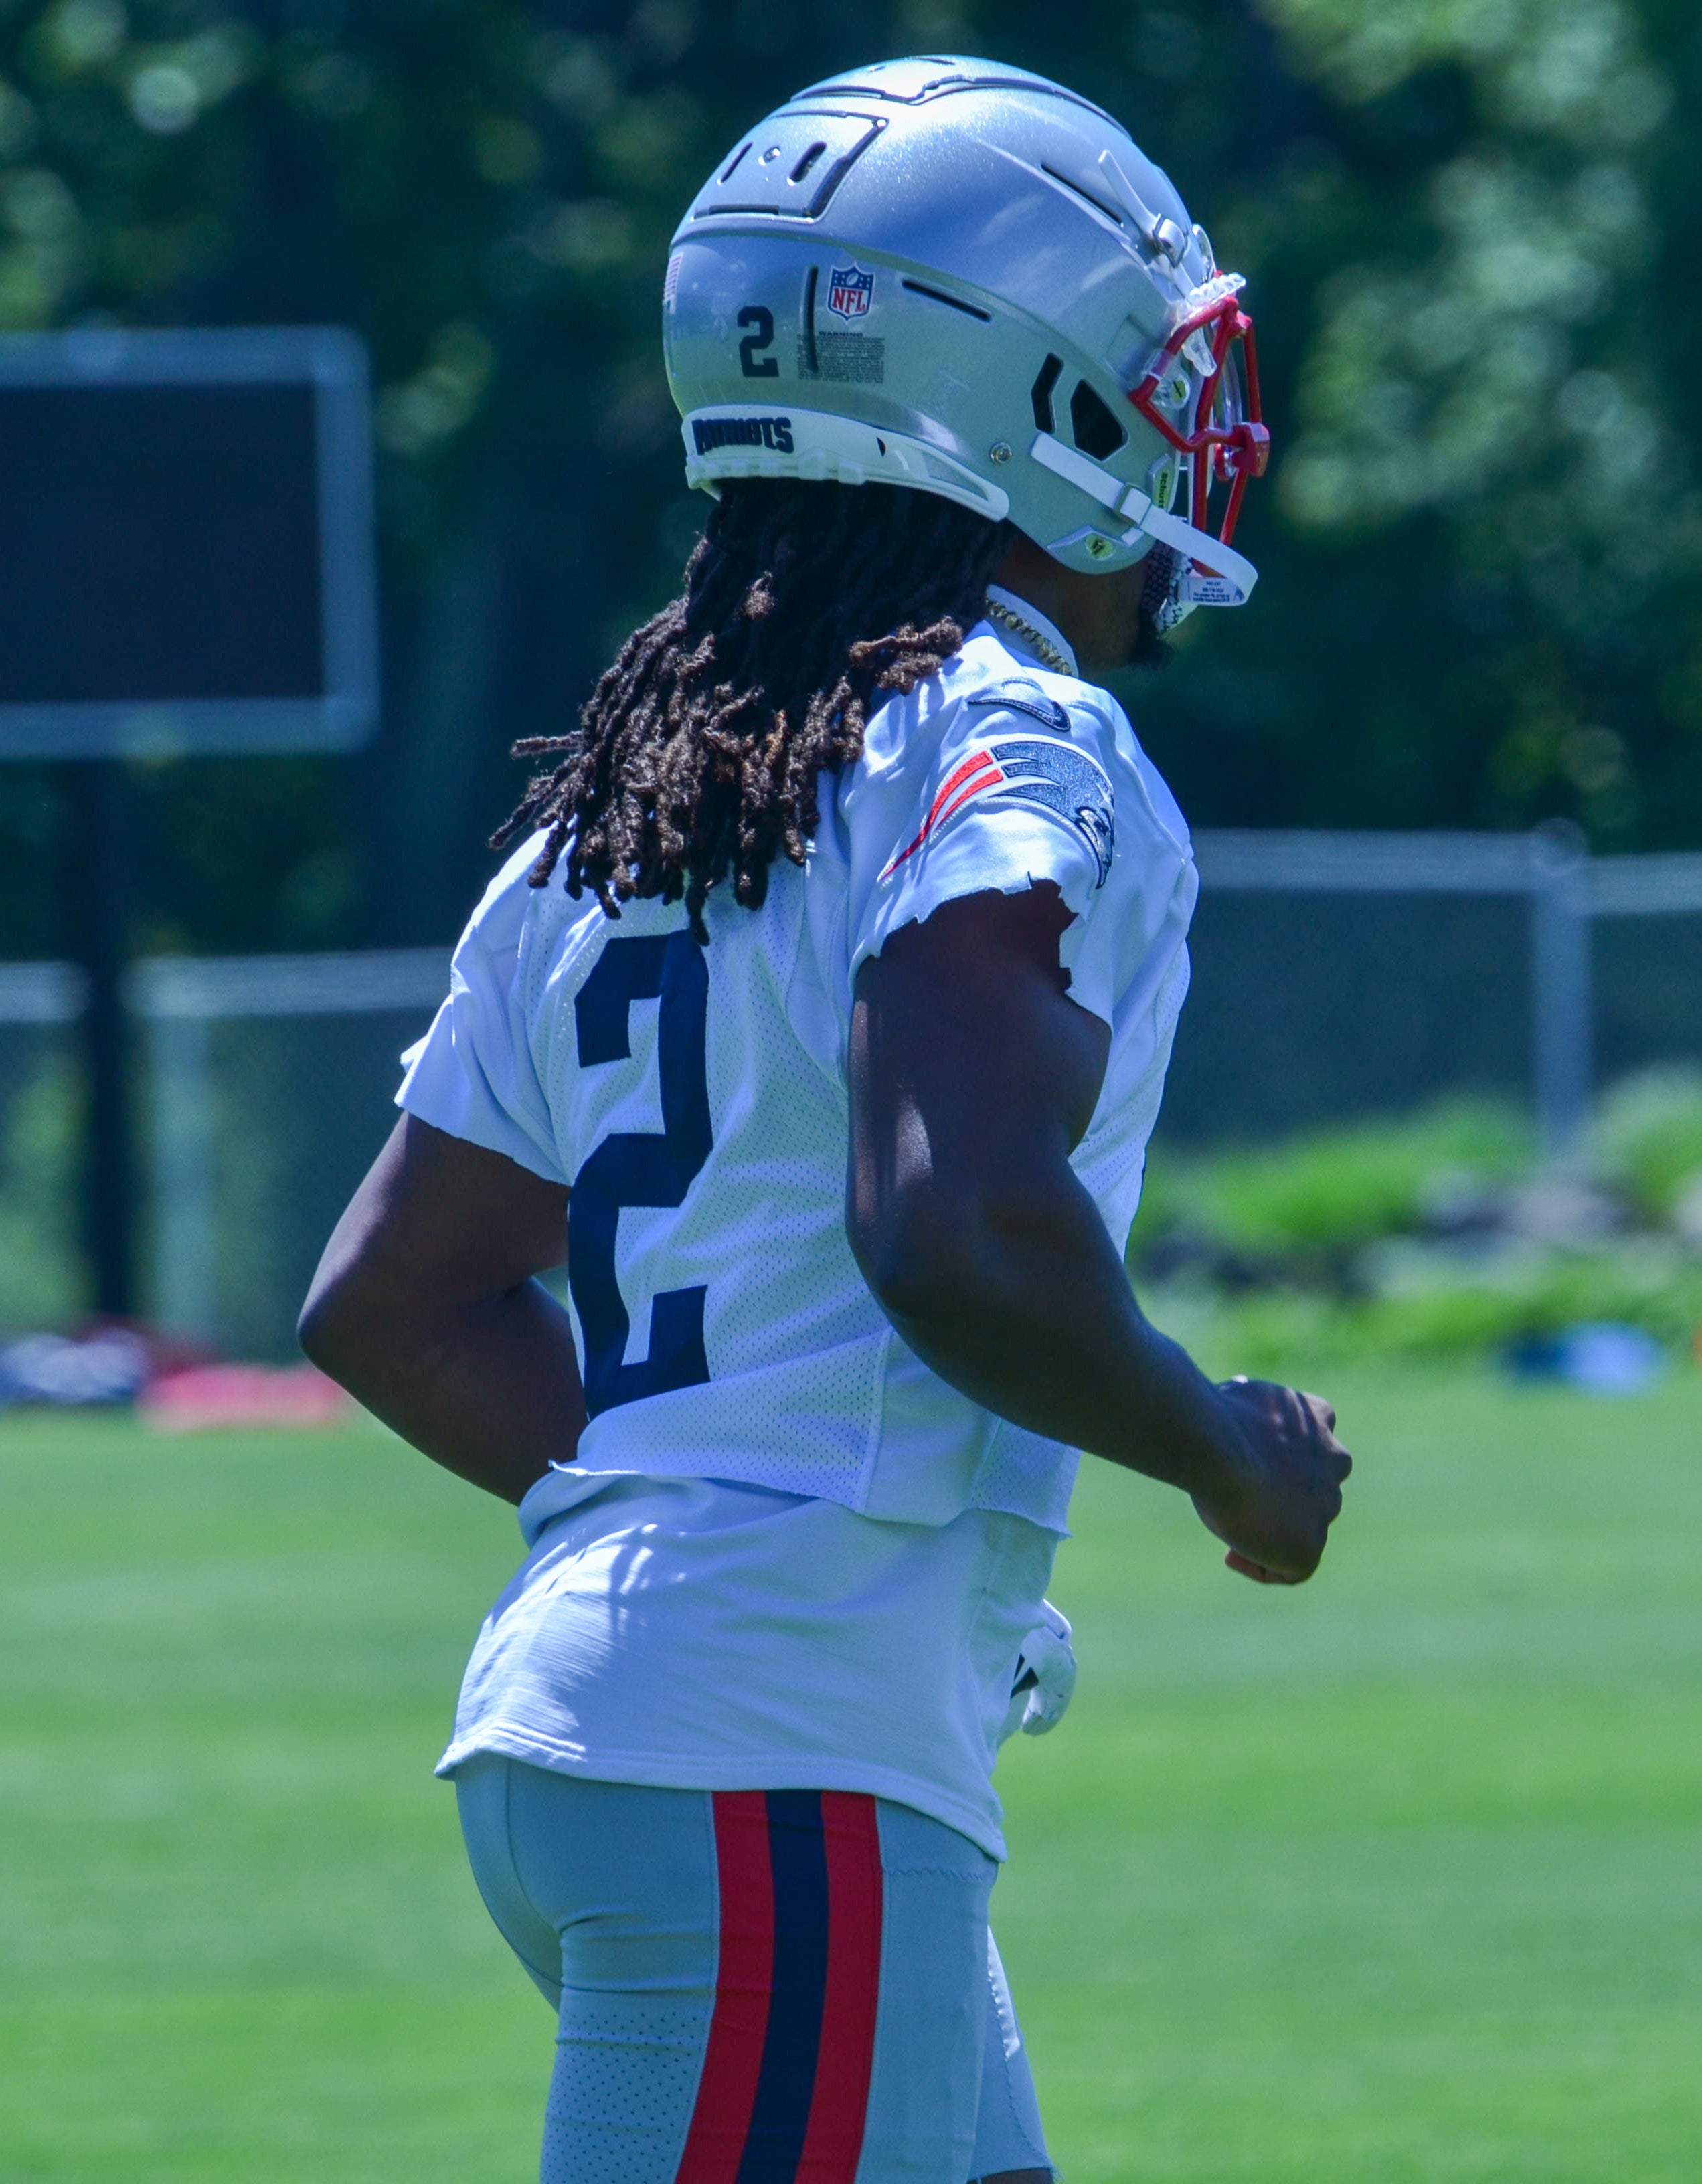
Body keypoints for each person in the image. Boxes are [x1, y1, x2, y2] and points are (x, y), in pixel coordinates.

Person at [301, 54, 1350, 2184]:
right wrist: (1232, 1455)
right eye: (1145, 364)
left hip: (656, 1744)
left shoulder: (633, 791)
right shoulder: (1010, 727)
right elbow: (952, 1221)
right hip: (769, 1771)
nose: (1187, 419)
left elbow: (392, 1303)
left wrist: (702, 1496)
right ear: (1031, 392)